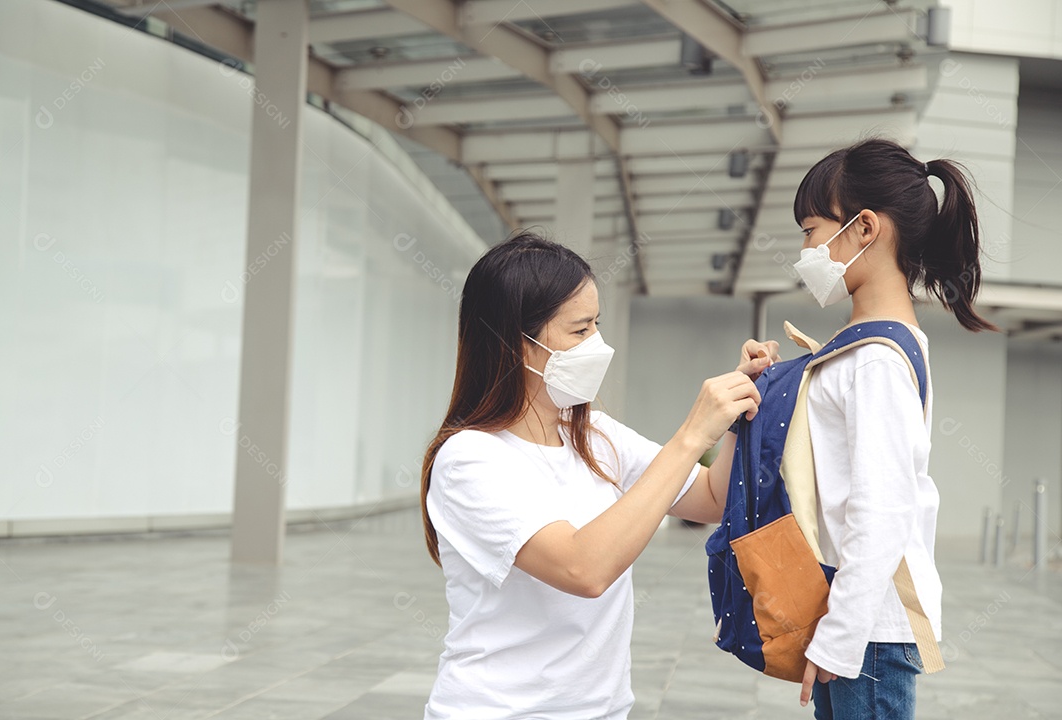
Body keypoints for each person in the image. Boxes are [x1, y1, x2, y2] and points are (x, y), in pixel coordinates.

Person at [420, 231, 775, 720]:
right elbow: (583, 569)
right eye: (579, 329)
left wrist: (735, 415)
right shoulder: (468, 460)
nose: (597, 345)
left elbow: (711, 499)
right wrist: (690, 436)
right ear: (517, 343)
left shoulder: (591, 434)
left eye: (597, 325)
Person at [791, 138, 997, 719]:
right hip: (862, 623)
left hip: (870, 632)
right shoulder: (873, 347)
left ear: (863, 229)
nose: (805, 250)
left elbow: (882, 508)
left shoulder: (876, 360)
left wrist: (842, 633)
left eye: (810, 231)